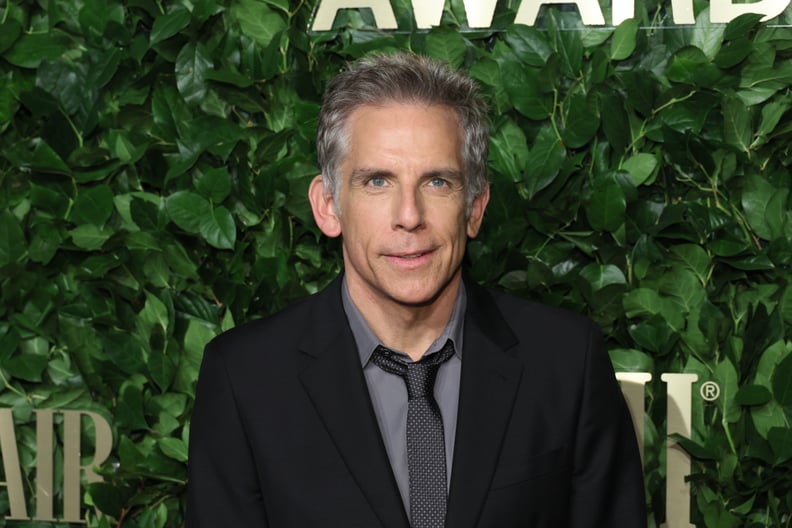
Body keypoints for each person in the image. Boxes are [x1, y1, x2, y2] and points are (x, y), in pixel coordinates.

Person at [186, 52, 646, 527]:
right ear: (328, 206)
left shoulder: (567, 363)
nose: (409, 215)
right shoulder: (245, 378)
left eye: (438, 181)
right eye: (378, 181)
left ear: (474, 208)